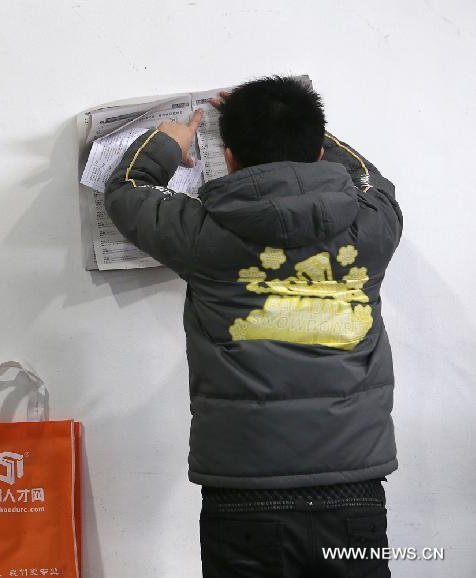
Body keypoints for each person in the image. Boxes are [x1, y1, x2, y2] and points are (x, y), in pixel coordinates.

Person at [105, 77, 402, 577]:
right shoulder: (372, 223)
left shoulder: (201, 231)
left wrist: (165, 140)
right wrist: (299, 128)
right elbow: (370, 176)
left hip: (243, 495)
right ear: (316, 148)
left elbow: (128, 191)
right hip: (354, 487)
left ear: (230, 158)